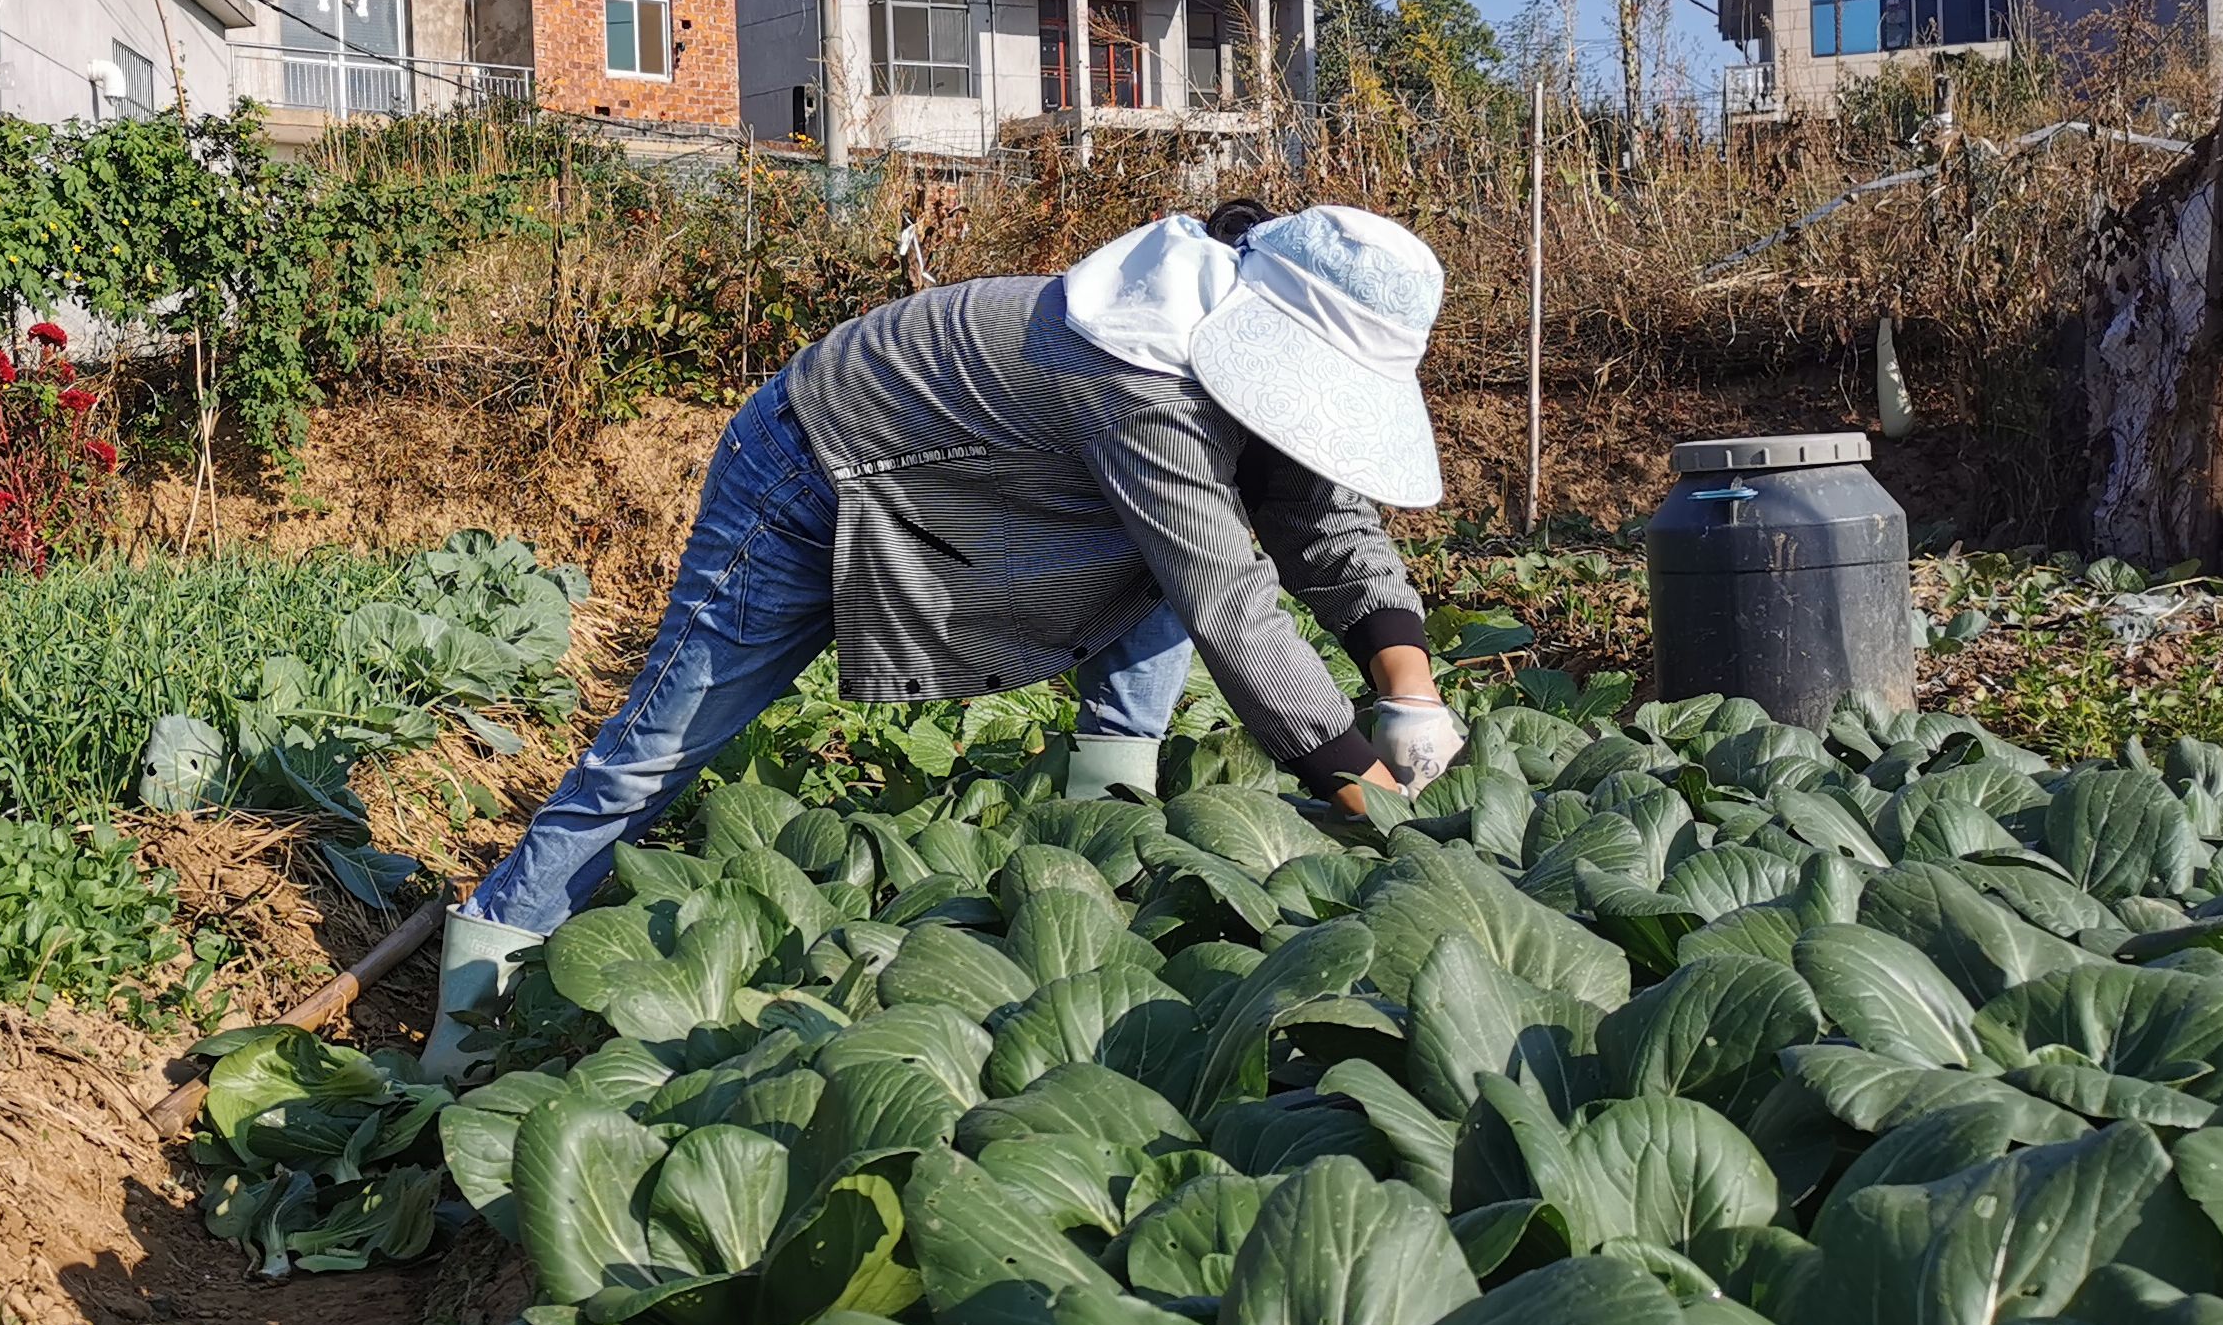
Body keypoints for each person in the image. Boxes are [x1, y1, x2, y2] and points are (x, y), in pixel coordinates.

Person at [417, 199, 1468, 1081]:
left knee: (1159, 589)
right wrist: (1376, 810)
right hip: (811, 470)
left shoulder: (1225, 349)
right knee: (663, 742)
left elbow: (1318, 515)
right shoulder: (1142, 376)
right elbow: (1231, 598)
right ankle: (473, 1006)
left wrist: (1407, 689)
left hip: (985, 487)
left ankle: (1106, 878)